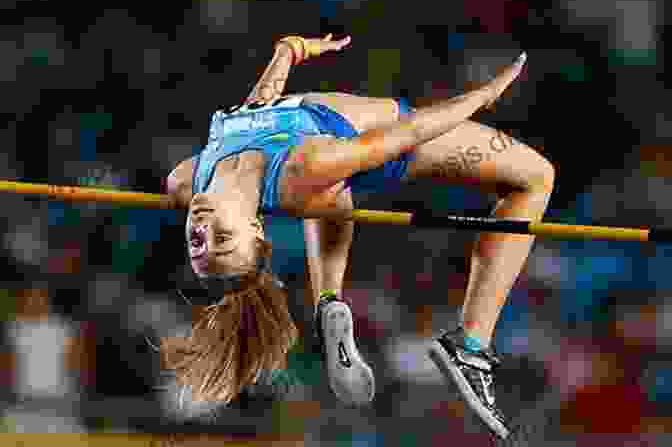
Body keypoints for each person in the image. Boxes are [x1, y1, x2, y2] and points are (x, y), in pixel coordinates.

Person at [162, 33, 553, 440]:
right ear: (256, 228)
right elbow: (411, 131)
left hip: (317, 164)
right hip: (384, 137)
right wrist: (481, 96)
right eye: (222, 237)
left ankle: (329, 301)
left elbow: (256, 111)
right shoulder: (305, 166)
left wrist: (287, 53)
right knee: (536, 177)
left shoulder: (188, 180)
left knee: (321, 189)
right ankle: (471, 346)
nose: (202, 228)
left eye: (197, 242)